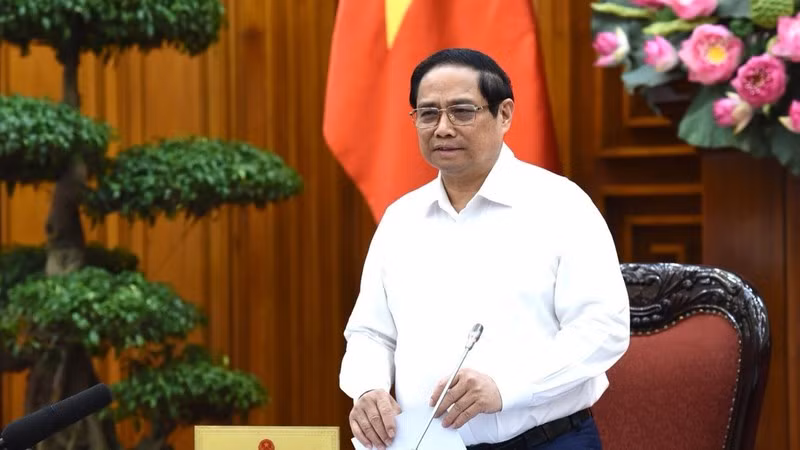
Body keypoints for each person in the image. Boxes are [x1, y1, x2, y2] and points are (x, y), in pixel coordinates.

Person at [339, 48, 630, 450]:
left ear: (504, 114)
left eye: (461, 111)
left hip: (544, 441)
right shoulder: (401, 219)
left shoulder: (561, 205)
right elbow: (371, 331)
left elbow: (602, 329)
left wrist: (507, 387)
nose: (442, 128)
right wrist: (368, 387)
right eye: (428, 114)